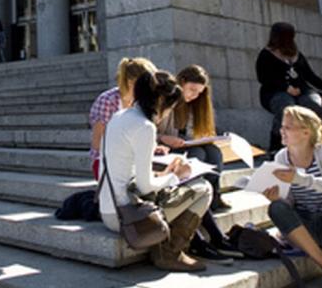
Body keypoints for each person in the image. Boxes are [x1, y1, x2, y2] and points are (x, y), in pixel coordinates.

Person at [99, 70, 213, 272]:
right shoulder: (145, 127)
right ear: (161, 101)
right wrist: (174, 176)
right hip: (127, 217)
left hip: (108, 208)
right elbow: (144, 186)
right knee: (203, 188)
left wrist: (163, 175)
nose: (168, 113)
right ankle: (169, 253)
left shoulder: (119, 117)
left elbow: (127, 172)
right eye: (170, 108)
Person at [264, 105, 322, 288]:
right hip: (304, 227)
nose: (281, 131)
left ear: (306, 132)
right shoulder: (281, 158)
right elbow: (290, 201)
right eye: (282, 126)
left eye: (288, 127)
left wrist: (302, 179)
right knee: (276, 208)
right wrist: (277, 197)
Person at [157, 65, 239, 263]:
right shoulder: (167, 101)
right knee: (198, 153)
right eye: (192, 90)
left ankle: (214, 196)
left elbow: (195, 134)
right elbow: (150, 130)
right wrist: (165, 138)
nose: (194, 96)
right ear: (181, 82)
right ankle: (207, 207)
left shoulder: (196, 104)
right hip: (165, 150)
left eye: (199, 92)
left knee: (213, 152)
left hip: (185, 145)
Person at [256, 22, 322, 152]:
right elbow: (263, 78)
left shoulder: (297, 55)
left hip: (301, 91)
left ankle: (318, 142)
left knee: (313, 104)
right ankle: (277, 147)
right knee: (286, 108)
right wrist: (285, 87)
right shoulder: (266, 55)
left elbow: (310, 76)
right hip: (275, 92)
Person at [89, 57, 159, 180]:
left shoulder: (141, 102)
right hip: (106, 163)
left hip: (132, 161)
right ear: (131, 82)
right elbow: (97, 143)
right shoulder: (108, 100)